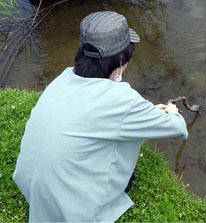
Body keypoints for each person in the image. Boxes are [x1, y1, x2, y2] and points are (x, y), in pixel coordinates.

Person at [12, 11, 188, 222]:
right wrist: (172, 112)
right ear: (122, 59)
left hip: (30, 185)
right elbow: (178, 128)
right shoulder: (121, 98)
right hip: (72, 212)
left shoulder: (63, 77)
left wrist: (146, 112)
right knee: (125, 154)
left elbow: (98, 113)